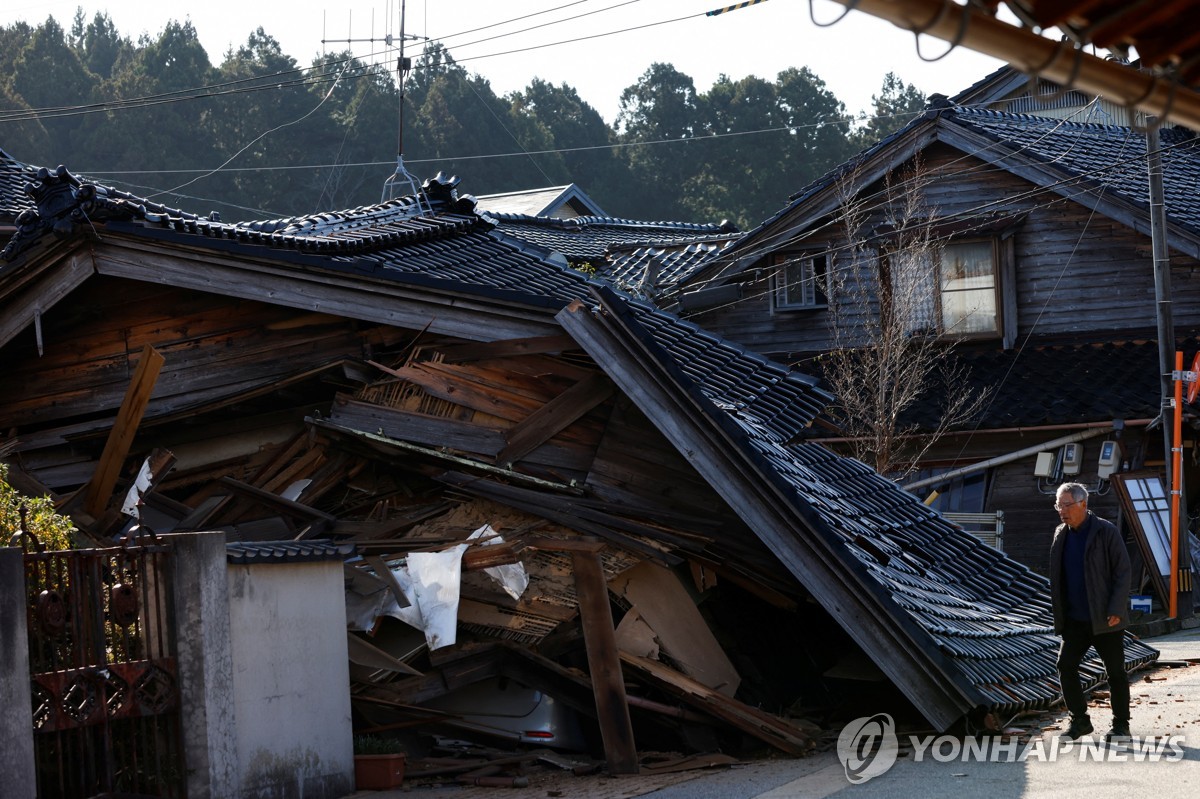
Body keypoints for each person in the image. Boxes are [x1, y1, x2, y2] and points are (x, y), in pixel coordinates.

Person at [1049, 482, 1132, 740]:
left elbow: (1122, 571)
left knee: (1115, 672)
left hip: (1105, 617)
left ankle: (1121, 725)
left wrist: (1116, 607)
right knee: (1065, 665)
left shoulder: (1105, 531)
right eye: (1058, 505)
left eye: (1066, 505)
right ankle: (1080, 721)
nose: (1062, 510)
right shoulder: (1060, 534)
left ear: (1083, 504)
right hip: (1075, 618)